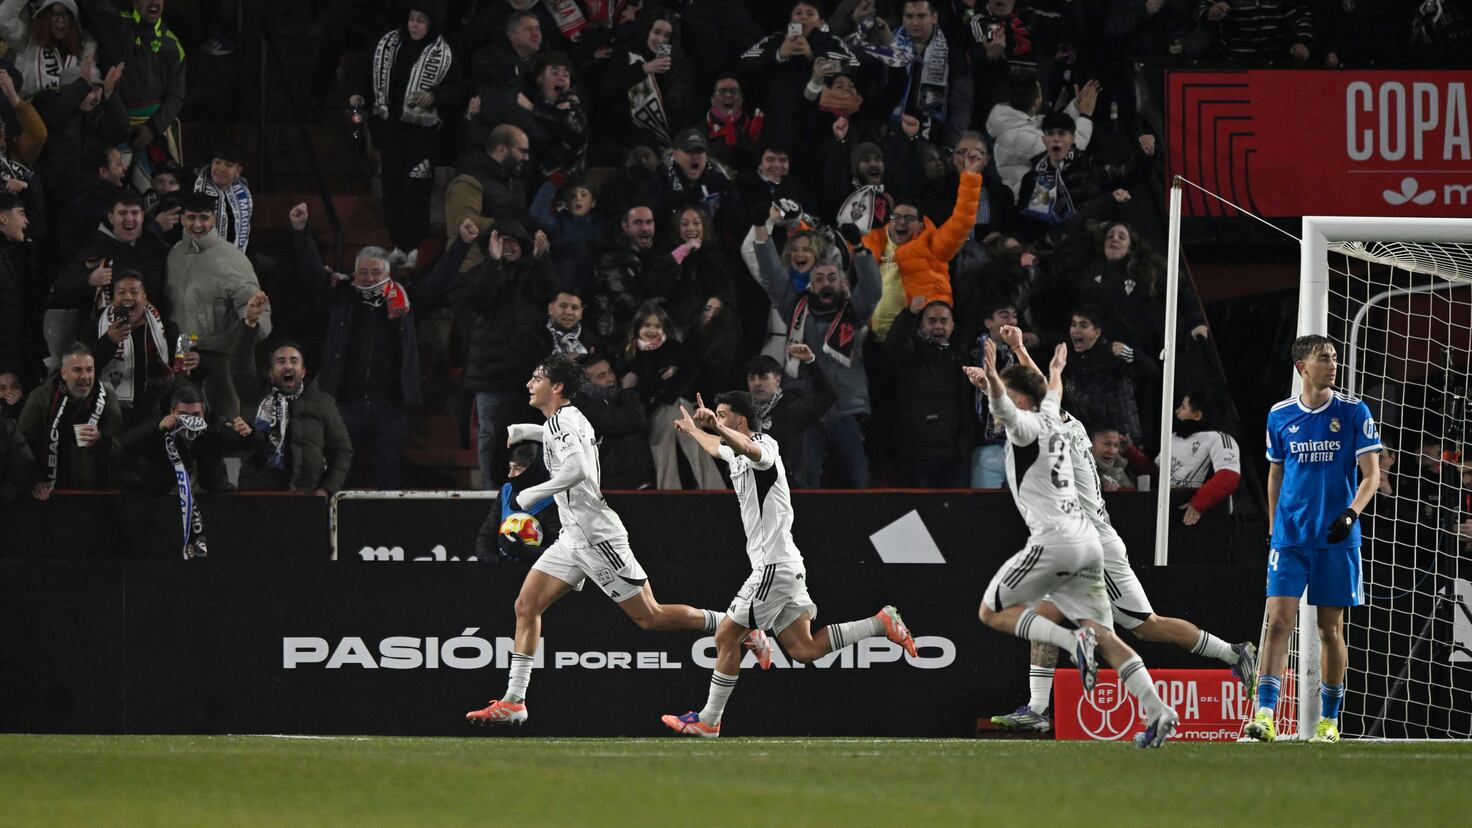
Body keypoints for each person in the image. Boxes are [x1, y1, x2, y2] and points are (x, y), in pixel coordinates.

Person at [986, 325, 1254, 732]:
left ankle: (1233, 655)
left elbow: (1038, 388)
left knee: (1142, 626)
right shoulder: (1066, 424)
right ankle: (1038, 710)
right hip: (1078, 541)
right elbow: (1041, 386)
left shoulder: (1052, 426)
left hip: (1090, 544)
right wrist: (1019, 350)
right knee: (1127, 624)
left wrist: (1020, 349)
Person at [464, 354, 729, 728]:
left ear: (556, 388)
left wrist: (534, 494)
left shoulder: (565, 421)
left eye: (537, 377)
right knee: (526, 605)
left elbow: (579, 469)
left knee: (650, 617)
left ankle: (732, 625)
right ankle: (514, 701)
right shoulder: (564, 420)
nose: (529, 384)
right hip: (573, 536)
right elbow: (580, 443)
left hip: (595, 536)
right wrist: (528, 431)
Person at [660, 391, 918, 736]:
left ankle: (709, 720)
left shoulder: (763, 446)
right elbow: (717, 448)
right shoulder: (734, 451)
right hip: (785, 565)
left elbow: (748, 449)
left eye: (723, 416)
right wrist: (694, 430)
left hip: (774, 566)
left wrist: (718, 429)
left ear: (741, 421)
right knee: (803, 649)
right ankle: (880, 623)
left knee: (726, 635)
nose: (717, 420)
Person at [965, 339, 1179, 748]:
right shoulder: (1069, 424)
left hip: (1068, 540)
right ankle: (1152, 709)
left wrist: (989, 377)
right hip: (1088, 544)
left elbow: (1014, 404)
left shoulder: (1036, 430)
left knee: (998, 612)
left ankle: (1056, 677)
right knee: (1104, 633)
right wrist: (1029, 358)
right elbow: (1044, 390)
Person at [1245, 335, 1381, 744]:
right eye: (1324, 358)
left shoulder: (1353, 411)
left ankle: (1329, 720)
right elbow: (1275, 473)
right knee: (1278, 623)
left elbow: (1371, 474)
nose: (1333, 364)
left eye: (1335, 358)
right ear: (1302, 366)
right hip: (1290, 538)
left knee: (1329, 630)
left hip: (1337, 538)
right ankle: (1265, 715)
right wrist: (1273, 528)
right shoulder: (1280, 414)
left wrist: (1350, 513)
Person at [291, 203, 475, 490]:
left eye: (376, 273)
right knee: (339, 474)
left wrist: (462, 244)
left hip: (390, 407)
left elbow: (439, 280)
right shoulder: (341, 296)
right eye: (363, 273)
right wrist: (301, 232)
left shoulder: (407, 299)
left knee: (390, 475)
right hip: (344, 402)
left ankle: (389, 531)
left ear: (388, 275)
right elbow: (313, 273)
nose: (369, 278)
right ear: (354, 274)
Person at [754, 209, 881, 489]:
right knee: (804, 480)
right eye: (820, 278)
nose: (826, 282)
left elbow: (872, 290)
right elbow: (773, 277)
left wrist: (859, 250)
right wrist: (761, 231)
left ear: (842, 284)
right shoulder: (795, 309)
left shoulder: (853, 313)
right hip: (807, 409)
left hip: (845, 409)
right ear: (811, 284)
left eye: (832, 278)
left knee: (860, 480)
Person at [349, 3, 459, 269]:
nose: (415, 25)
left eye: (421, 21)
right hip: (390, 132)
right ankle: (399, 243)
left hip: (423, 135)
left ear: (431, 24)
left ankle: (413, 246)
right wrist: (357, 94)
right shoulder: (387, 45)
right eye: (412, 19)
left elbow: (458, 89)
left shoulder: (444, 52)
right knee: (393, 190)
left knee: (416, 190)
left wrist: (435, 95)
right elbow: (365, 74)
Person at [165, 191, 271, 421]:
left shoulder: (232, 260)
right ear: (182, 218)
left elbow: (260, 319)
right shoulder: (174, 254)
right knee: (184, 421)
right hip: (184, 347)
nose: (197, 224)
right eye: (191, 217)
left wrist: (251, 319)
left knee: (227, 426)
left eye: (204, 217)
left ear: (214, 219)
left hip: (221, 356)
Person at [120, 384, 230, 557]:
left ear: (204, 413)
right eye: (183, 416)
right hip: (165, 505)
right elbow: (125, 446)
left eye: (196, 415)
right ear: (171, 412)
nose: (189, 421)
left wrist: (249, 432)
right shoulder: (158, 428)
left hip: (208, 504)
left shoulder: (214, 429)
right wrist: (157, 428)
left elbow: (245, 441)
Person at [621, 301, 722, 491]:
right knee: (666, 449)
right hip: (649, 413)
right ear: (637, 328)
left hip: (674, 405)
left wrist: (666, 394)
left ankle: (711, 493)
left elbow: (690, 371)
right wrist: (660, 383)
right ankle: (676, 494)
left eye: (657, 326)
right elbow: (634, 386)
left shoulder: (674, 348)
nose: (653, 330)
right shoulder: (629, 354)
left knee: (691, 439)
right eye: (647, 325)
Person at [235, 343, 353, 496]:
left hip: (306, 496)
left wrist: (327, 489)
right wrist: (249, 327)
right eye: (281, 361)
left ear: (303, 371)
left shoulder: (322, 402)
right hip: (260, 495)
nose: (288, 366)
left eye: (294, 361)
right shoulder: (255, 397)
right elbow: (239, 363)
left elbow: (342, 451)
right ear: (270, 373)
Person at [18, 342, 124, 499]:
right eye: (77, 370)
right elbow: (22, 446)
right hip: (51, 495)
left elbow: (121, 448)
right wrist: (35, 479)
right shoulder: (40, 397)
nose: (85, 377)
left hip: (96, 495)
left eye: (89, 370)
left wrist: (102, 440)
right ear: (63, 373)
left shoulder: (108, 397)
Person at [887, 297, 973, 487]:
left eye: (944, 321)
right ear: (921, 324)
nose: (938, 327)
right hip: (919, 453)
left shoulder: (961, 358)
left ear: (952, 325)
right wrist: (908, 315)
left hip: (954, 454)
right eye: (931, 320)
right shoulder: (910, 356)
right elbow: (894, 346)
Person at [86, 269, 180, 431]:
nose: (127, 297)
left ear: (144, 297)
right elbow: (86, 366)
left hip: (154, 411)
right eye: (121, 292)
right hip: (110, 409)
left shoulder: (163, 328)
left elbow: (182, 364)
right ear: (113, 298)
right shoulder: (97, 326)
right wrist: (108, 341)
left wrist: (197, 363)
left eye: (134, 292)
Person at [445, 124, 531, 276]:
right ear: (503, 149)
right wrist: (503, 227)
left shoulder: (511, 181)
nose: (526, 158)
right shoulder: (469, 179)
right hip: (469, 273)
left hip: (501, 272)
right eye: (522, 151)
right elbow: (460, 222)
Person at [745, 350, 835, 488]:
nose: (756, 383)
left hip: (788, 490)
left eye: (763, 377)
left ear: (778, 379)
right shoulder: (743, 411)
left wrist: (811, 362)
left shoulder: (792, 408)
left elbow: (828, 395)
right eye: (752, 378)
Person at [571, 354, 654, 490]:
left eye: (610, 372)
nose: (610, 379)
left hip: (631, 475)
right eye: (601, 376)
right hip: (612, 480)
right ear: (587, 383)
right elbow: (635, 420)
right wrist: (628, 391)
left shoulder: (613, 397)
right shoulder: (582, 405)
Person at [474, 440, 560, 564]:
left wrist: (525, 551)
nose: (510, 474)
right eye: (510, 467)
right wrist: (485, 552)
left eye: (517, 469)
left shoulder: (552, 499)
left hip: (539, 572)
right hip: (505, 572)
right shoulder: (506, 492)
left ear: (533, 470)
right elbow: (488, 532)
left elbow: (559, 552)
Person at [191, 142, 253, 253]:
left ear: (238, 171)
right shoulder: (195, 189)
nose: (221, 168)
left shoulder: (242, 190)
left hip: (236, 257)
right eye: (217, 162)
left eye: (228, 165)